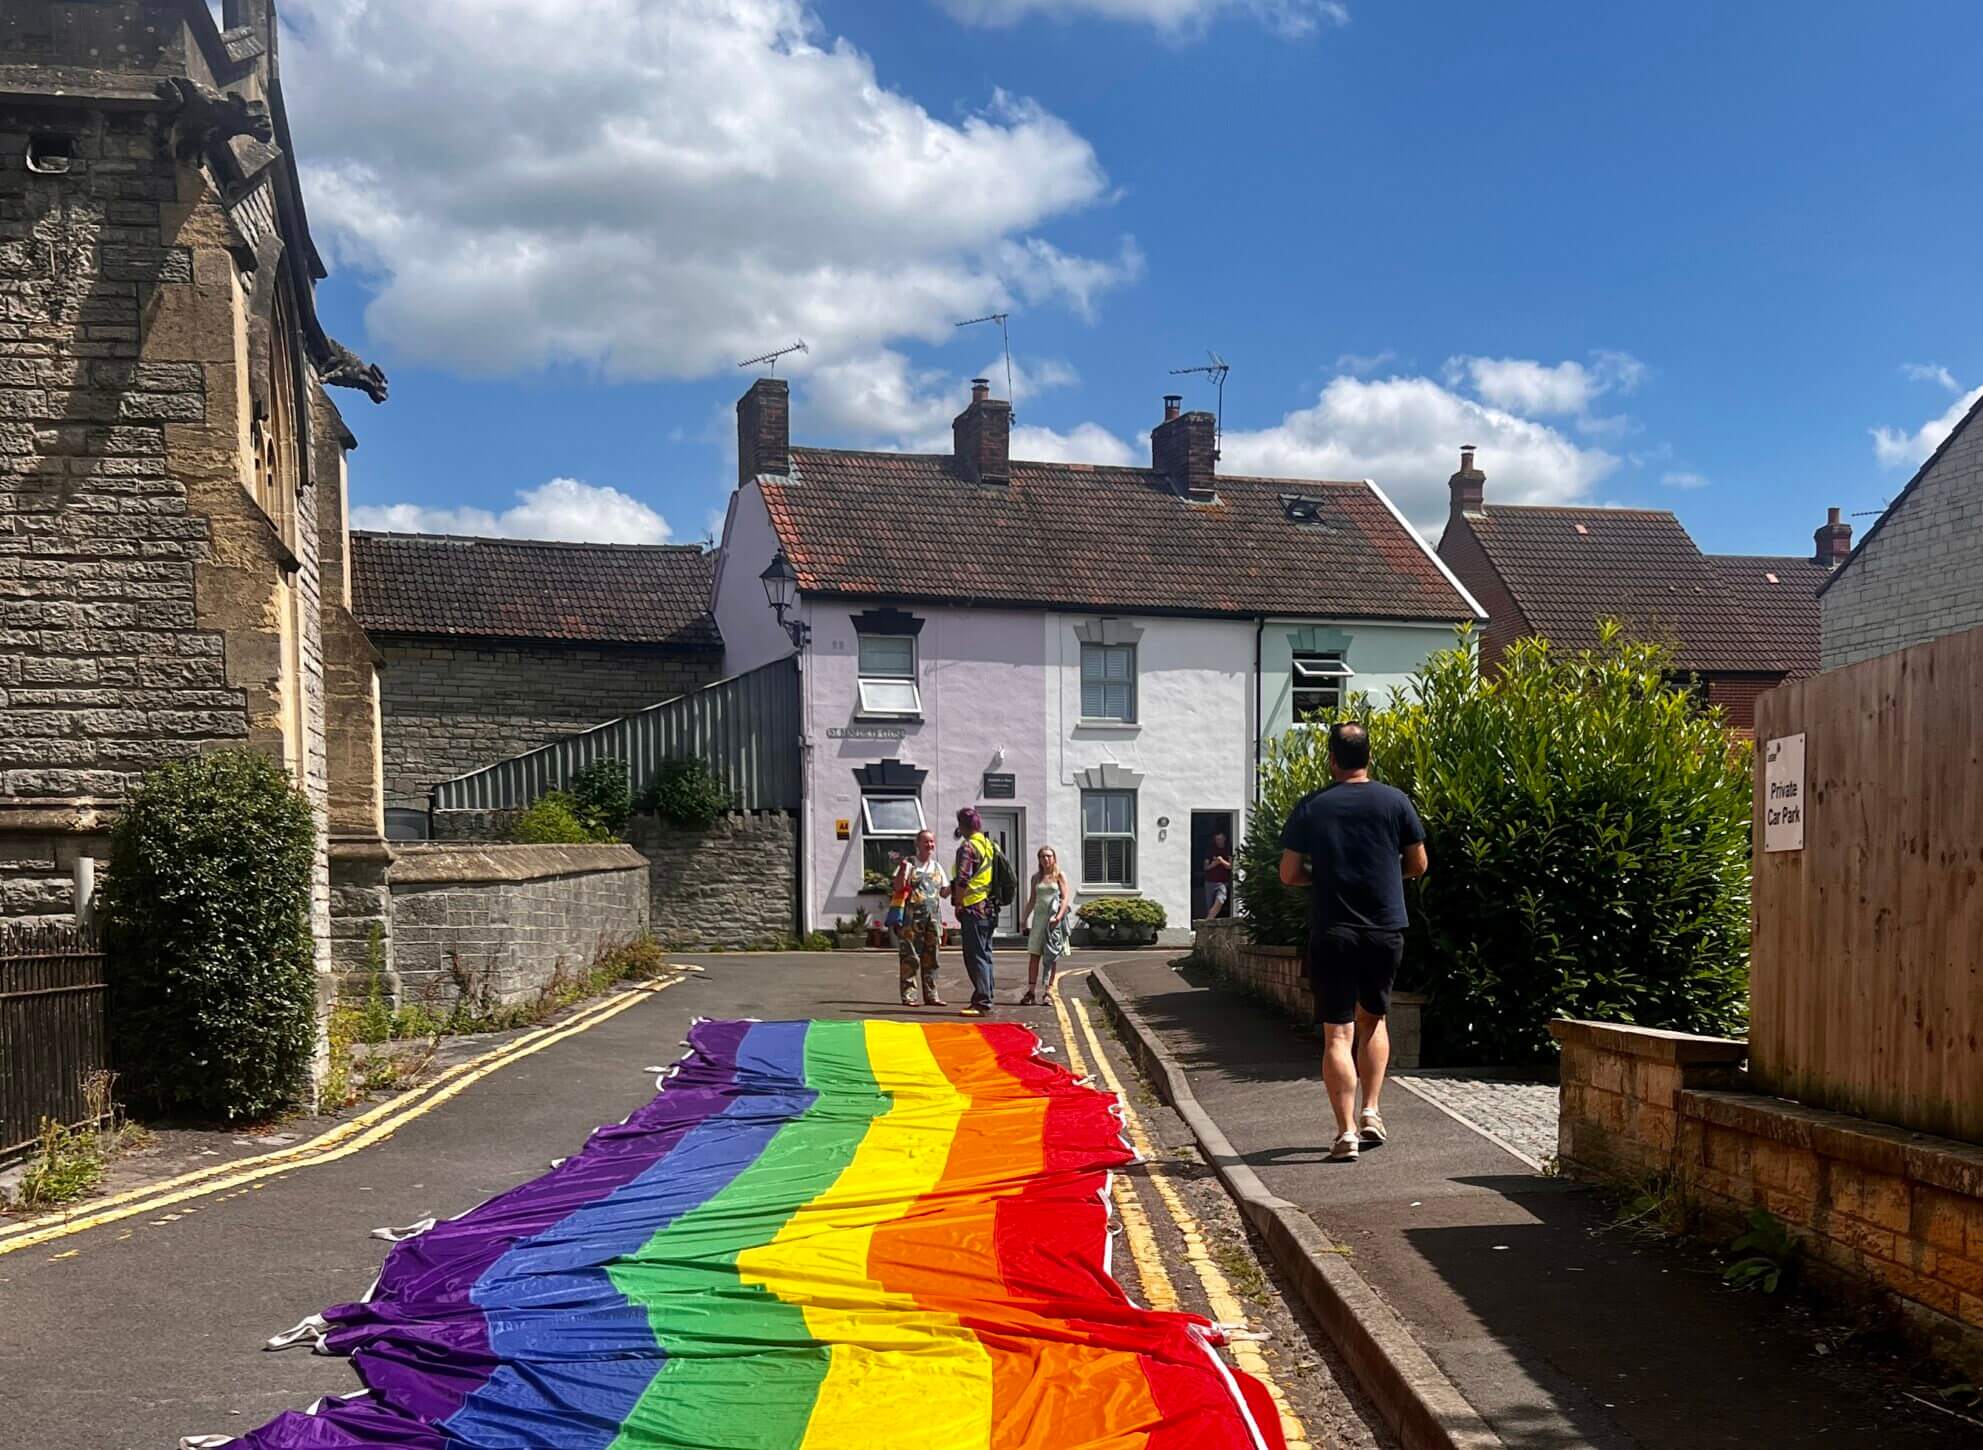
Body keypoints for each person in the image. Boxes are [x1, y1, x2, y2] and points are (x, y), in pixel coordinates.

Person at [1278, 721, 1428, 1162]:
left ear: (1331, 760)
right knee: (1374, 1021)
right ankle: (1372, 1112)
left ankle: (1345, 1134)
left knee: (1337, 1034)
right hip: (1385, 928)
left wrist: (1323, 877)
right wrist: (1381, 875)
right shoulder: (1395, 801)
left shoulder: (1312, 806)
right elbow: (1418, 864)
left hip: (1333, 929)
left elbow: (1288, 874)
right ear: (1368, 757)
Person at [891, 829, 949, 1007]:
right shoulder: (908, 864)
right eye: (926, 842)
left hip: (933, 920)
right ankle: (909, 995)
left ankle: (932, 995)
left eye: (932, 842)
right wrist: (901, 871)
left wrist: (959, 884)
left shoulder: (938, 867)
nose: (930, 845)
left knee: (932, 958)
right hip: (911, 921)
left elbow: (944, 893)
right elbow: (898, 887)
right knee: (910, 957)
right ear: (918, 844)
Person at [952, 807, 1000, 1016]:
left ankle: (982, 1001)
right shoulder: (989, 845)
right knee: (985, 954)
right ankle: (986, 995)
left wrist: (958, 903)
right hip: (989, 908)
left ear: (963, 826)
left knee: (975, 955)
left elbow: (963, 878)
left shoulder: (968, 847)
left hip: (973, 908)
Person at [1019, 845, 1072, 1006]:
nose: (1046, 859)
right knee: (1034, 956)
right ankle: (1031, 992)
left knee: (1051, 957)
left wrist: (1058, 917)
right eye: (1042, 856)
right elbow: (1032, 900)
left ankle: (1048, 992)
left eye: (1049, 856)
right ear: (1039, 860)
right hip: (1038, 922)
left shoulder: (1059, 876)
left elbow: (1065, 899)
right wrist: (1024, 919)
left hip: (1053, 923)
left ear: (1054, 858)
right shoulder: (1036, 877)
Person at [1202, 832, 1233, 920]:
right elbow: (1205, 867)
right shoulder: (1210, 849)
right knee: (1209, 906)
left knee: (1220, 899)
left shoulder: (1228, 849)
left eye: (1220, 839)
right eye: (1217, 839)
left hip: (1222, 882)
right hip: (1209, 882)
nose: (1218, 841)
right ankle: (1209, 924)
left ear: (1224, 839)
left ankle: (1207, 921)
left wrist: (1222, 861)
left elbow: (1230, 866)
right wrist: (1214, 864)